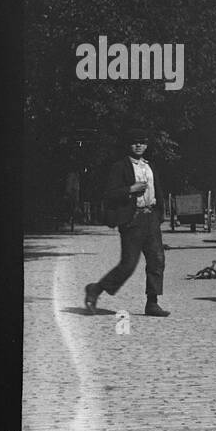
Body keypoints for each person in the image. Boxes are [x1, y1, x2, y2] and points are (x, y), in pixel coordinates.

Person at [84, 130, 169, 316]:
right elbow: (109, 194)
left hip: (151, 218)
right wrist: (131, 189)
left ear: (147, 145)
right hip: (133, 219)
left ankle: (152, 303)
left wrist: (160, 213)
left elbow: (159, 190)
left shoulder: (150, 166)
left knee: (157, 260)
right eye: (134, 142)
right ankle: (95, 290)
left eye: (142, 142)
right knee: (128, 265)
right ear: (128, 145)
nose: (139, 145)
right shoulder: (119, 167)